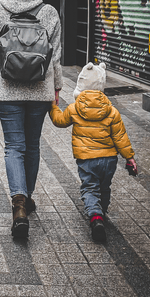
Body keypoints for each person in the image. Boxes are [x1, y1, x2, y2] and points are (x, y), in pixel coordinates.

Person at [0, 0, 62, 239]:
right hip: (40, 91)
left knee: (14, 147)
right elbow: (56, 55)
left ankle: (19, 207)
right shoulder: (48, 12)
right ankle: (26, 197)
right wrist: (57, 88)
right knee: (32, 145)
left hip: (7, 91)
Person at [49, 62, 137, 243]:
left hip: (87, 159)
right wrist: (129, 158)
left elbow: (59, 121)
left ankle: (95, 217)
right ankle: (102, 212)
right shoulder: (112, 111)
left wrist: (52, 106)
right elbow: (121, 137)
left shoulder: (74, 109)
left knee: (89, 188)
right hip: (109, 160)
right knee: (104, 187)